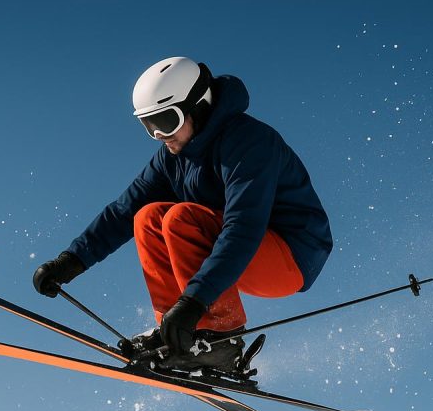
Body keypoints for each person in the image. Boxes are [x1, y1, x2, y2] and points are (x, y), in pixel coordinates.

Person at [33, 56, 332, 374]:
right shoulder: (172, 157)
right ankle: (177, 337)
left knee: (180, 218)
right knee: (147, 216)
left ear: (199, 107)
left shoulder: (249, 142)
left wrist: (195, 300)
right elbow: (123, 211)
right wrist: (71, 261)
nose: (160, 135)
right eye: (150, 126)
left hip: (289, 256)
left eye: (166, 121)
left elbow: (243, 227)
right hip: (235, 257)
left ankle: (220, 340)